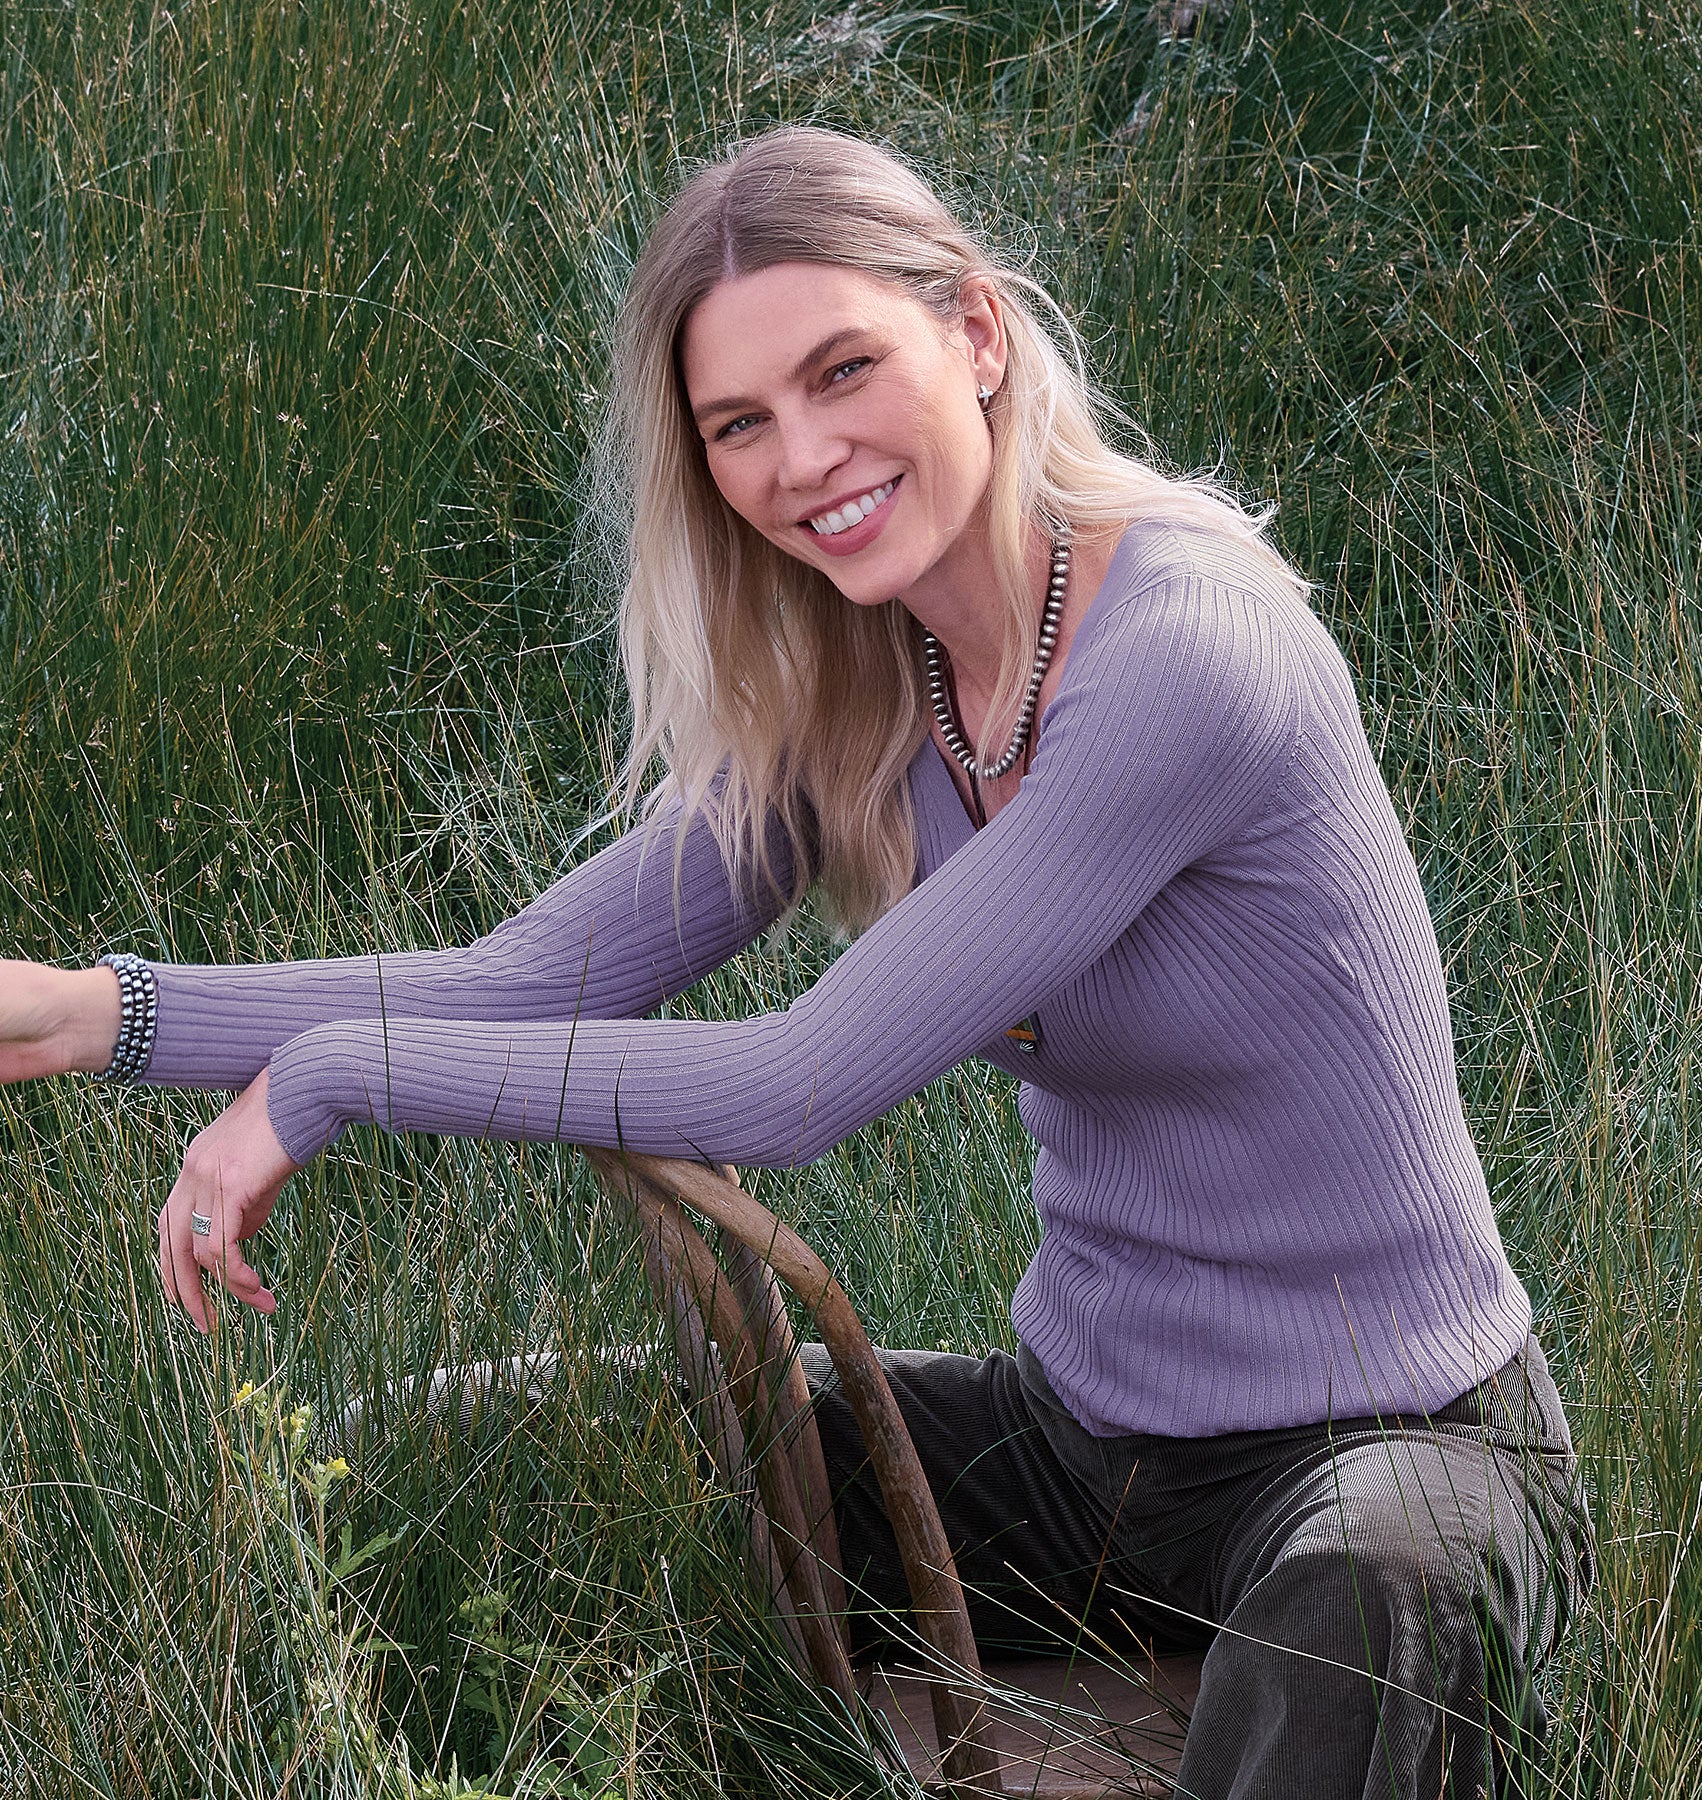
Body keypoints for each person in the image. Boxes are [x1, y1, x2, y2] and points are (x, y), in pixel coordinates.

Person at [0, 124, 1593, 1797]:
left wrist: (332, 1079)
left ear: (976, 333)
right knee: (440, 1456)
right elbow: (533, 976)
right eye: (739, 424)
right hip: (1082, 1457)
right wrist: (89, 1016)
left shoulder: (1187, 651)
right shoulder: (872, 679)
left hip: (1397, 1458)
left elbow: (798, 1082)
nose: (804, 456)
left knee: (1362, 1609)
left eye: (844, 371)